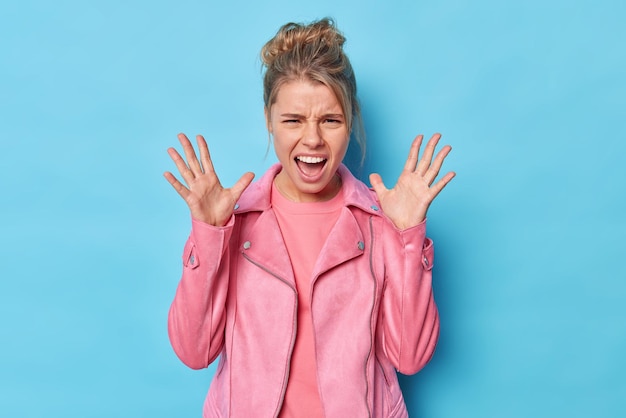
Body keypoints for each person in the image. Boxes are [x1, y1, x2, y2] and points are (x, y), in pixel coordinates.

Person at [164, 18, 455, 418]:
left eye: (330, 120)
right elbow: (194, 352)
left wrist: (407, 236)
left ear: (350, 121)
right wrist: (210, 235)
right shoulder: (233, 220)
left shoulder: (378, 220)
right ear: (269, 120)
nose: (313, 139)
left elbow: (410, 357)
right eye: (293, 120)